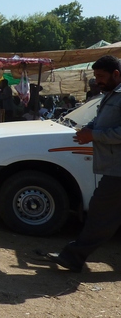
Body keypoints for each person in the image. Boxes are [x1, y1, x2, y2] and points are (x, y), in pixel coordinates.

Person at [42, 55, 121, 272]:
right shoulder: (110, 94)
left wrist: (94, 135)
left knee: (99, 213)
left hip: (118, 170)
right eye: (96, 76)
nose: (97, 81)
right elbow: (103, 119)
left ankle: (73, 257)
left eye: (101, 76)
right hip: (113, 167)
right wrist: (89, 128)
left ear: (116, 74)